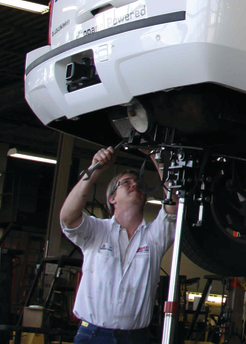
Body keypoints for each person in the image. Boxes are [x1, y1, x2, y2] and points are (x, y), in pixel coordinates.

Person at [60, 146, 178, 344]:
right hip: (92, 336)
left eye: (138, 183)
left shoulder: (155, 237)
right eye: (126, 183)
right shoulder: (97, 231)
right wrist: (95, 169)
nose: (134, 184)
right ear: (112, 198)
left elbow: (173, 204)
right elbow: (68, 218)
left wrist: (155, 155)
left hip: (135, 338)